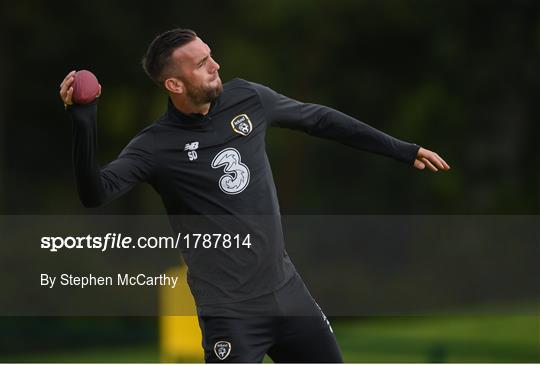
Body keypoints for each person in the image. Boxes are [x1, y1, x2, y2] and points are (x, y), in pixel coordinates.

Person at [59, 28, 450, 363]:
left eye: (210, 56)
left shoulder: (248, 98)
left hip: (288, 293)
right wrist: (83, 118)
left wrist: (403, 150)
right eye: (201, 64)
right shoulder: (154, 147)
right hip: (230, 314)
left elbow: (320, 119)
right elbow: (96, 192)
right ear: (174, 85)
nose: (215, 66)